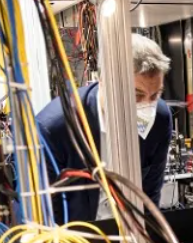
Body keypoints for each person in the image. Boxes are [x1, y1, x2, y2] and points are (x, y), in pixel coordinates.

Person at [36, 34, 172, 223]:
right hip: (77, 236)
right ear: (104, 82)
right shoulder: (55, 128)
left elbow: (150, 199)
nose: (147, 107)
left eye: (155, 95)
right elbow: (45, 215)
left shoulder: (160, 118)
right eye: (137, 96)